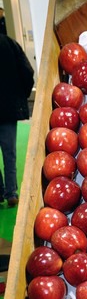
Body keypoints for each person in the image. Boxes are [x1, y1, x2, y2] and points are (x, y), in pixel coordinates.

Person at [0, 33, 34, 206]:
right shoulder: (10, 44)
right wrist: (21, 95)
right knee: (9, 153)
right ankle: (11, 193)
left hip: (7, 106)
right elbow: (27, 71)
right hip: (7, 107)